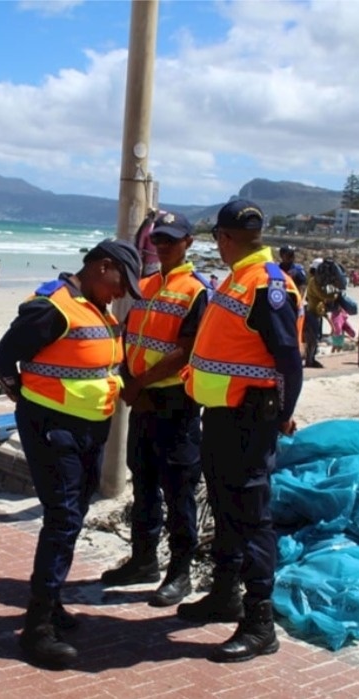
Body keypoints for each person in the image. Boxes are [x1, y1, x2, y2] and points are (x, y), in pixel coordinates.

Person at [0, 238, 142, 669]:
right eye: (121, 282)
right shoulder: (52, 307)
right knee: (62, 519)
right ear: (102, 266)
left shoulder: (94, 306)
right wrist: (30, 402)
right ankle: (36, 628)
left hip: (89, 428)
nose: (121, 293)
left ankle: (51, 601)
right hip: (54, 429)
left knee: (73, 514)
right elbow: (3, 359)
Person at [176, 200, 303, 664]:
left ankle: (259, 622)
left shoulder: (266, 284)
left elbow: (288, 355)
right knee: (227, 508)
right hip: (224, 416)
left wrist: (284, 411)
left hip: (250, 418)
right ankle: (225, 594)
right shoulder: (239, 277)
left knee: (251, 518)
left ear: (224, 239)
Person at [100, 212, 209, 608]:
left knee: (178, 490)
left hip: (175, 403)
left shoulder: (196, 290)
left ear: (188, 243)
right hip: (142, 400)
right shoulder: (145, 285)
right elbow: (130, 334)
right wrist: (129, 379)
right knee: (143, 482)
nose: (163, 246)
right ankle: (143, 560)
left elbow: (186, 348)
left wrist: (139, 384)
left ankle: (179, 573)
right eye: (159, 240)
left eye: (172, 240)